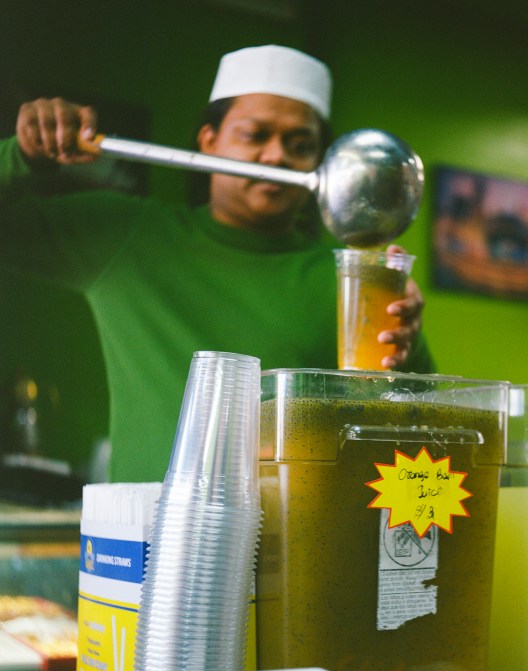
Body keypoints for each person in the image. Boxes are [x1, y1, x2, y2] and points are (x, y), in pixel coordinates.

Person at [0, 45, 435, 482]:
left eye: (300, 144)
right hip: (143, 541)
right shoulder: (128, 236)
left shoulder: (347, 276)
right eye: (254, 135)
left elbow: (418, 427)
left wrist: (406, 344)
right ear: (209, 141)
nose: (275, 157)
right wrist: (24, 155)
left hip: (295, 542)